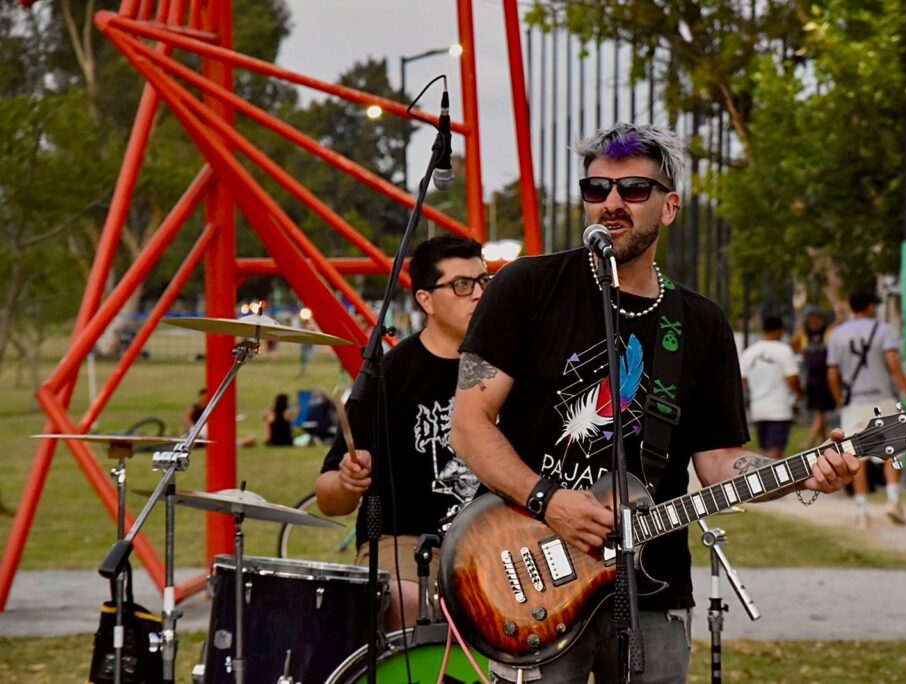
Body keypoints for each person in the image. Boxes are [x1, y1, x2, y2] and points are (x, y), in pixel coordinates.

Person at [451, 123, 860, 683]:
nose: (612, 204)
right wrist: (549, 501)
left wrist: (804, 474)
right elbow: (469, 423)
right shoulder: (526, 286)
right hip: (527, 580)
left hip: (653, 589)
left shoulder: (701, 324)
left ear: (669, 207)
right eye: (596, 190)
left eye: (633, 190)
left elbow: (718, 462)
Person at [315, 235, 486, 631]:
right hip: (406, 543)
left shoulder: (508, 365)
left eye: (483, 281)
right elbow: (328, 499)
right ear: (425, 300)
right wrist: (348, 480)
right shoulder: (389, 375)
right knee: (402, 601)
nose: (477, 294)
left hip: (493, 540)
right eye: (462, 285)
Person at [827, 290, 906, 527]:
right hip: (883, 397)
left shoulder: (837, 335)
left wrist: (839, 400)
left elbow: (832, 372)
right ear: (867, 307)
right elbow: (893, 365)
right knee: (892, 451)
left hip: (854, 402)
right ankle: (893, 500)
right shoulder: (884, 331)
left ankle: (862, 509)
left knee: (857, 456)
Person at [740, 315, 802, 458]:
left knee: (766, 450)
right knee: (775, 452)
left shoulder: (750, 352)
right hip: (779, 409)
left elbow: (742, 380)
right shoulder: (783, 350)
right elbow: (792, 378)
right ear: (779, 330)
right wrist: (800, 393)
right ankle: (767, 479)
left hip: (758, 410)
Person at [792, 306, 836, 447]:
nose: (815, 322)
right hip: (811, 379)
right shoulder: (805, 334)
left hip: (824, 379)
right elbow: (794, 344)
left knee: (819, 413)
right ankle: (824, 440)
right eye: (812, 319)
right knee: (819, 412)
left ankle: (809, 444)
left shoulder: (827, 333)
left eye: (817, 318)